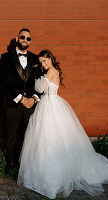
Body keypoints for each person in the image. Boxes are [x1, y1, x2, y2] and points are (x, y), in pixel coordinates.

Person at [17, 50, 108, 199]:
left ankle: (52, 175)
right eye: (40, 62)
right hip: (49, 104)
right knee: (45, 139)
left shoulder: (52, 70)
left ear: (50, 59)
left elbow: (39, 89)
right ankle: (43, 171)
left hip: (50, 105)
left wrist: (36, 75)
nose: (43, 64)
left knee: (50, 138)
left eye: (44, 61)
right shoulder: (54, 70)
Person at [0, 28, 42, 173]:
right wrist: (20, 98)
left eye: (28, 38)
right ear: (17, 39)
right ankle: (10, 162)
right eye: (22, 37)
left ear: (30, 41)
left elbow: (41, 81)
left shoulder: (36, 59)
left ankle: (26, 162)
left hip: (30, 103)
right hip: (13, 102)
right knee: (11, 132)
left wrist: (34, 98)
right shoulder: (5, 58)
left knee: (29, 133)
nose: (25, 40)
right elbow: (1, 82)